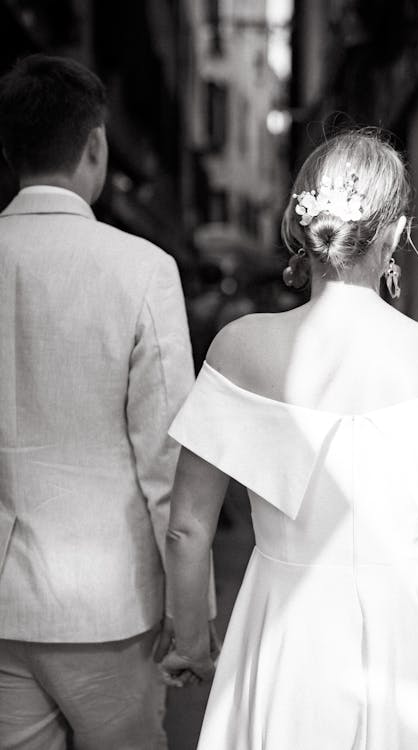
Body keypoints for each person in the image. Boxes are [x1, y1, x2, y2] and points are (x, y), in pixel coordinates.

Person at [161, 130, 418, 749]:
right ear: (395, 234)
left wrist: (192, 643)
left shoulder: (240, 347)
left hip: (286, 631)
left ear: (301, 225)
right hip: (413, 643)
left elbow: (187, 530)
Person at [0, 54, 216, 749]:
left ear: (10, 151)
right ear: (95, 146)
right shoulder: (143, 270)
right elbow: (167, 463)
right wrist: (192, 619)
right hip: (109, 608)